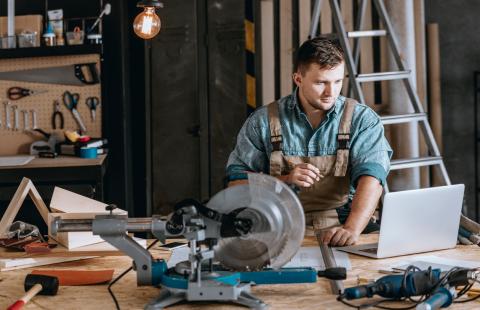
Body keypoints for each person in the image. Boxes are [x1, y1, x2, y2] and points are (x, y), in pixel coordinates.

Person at [225, 36, 392, 247]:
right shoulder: (263, 121)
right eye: (321, 82)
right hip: (278, 225)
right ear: (298, 79)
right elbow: (236, 184)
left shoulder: (361, 120)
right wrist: (285, 181)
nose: (331, 92)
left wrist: (351, 229)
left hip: (340, 222)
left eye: (338, 81)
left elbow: (373, 179)